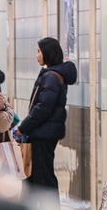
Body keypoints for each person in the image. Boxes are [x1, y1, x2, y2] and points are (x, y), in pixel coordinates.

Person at [11, 36, 77, 193]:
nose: (37, 55)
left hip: (43, 134)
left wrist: (23, 127)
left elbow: (42, 108)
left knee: (43, 177)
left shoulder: (51, 77)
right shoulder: (53, 75)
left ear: (48, 53)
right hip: (44, 133)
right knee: (35, 177)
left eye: (39, 51)